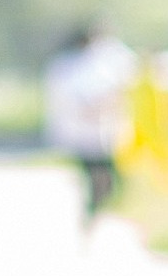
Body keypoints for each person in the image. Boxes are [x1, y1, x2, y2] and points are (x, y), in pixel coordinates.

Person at [42, 21, 137, 222]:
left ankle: (100, 210)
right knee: (96, 174)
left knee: (106, 175)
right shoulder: (73, 66)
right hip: (87, 132)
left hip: (105, 131)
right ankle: (96, 211)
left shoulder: (108, 59)